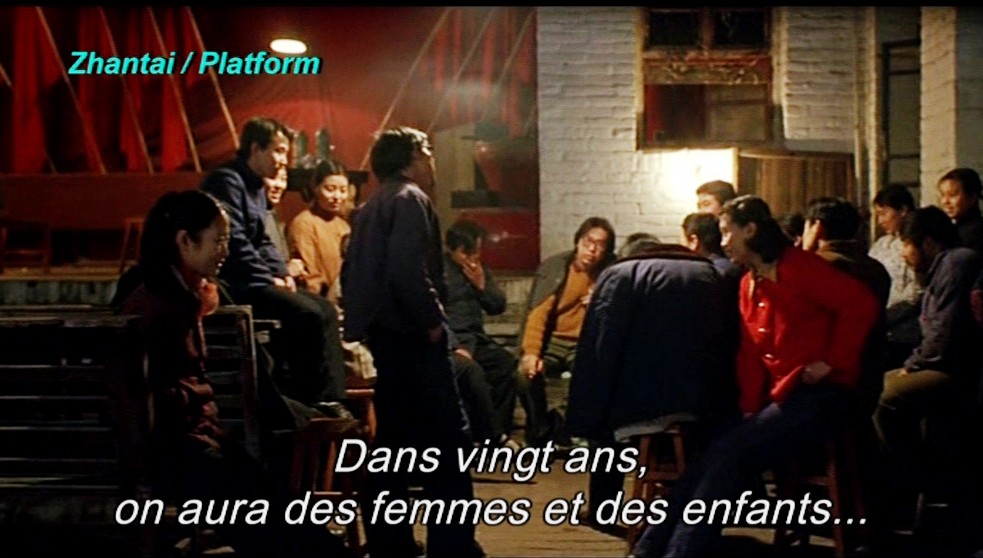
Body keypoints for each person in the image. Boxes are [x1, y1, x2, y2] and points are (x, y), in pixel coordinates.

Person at [631, 195, 879, 558]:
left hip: (824, 393)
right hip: (781, 398)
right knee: (711, 452)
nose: (724, 242)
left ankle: (679, 552)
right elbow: (749, 354)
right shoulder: (749, 284)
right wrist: (748, 408)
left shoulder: (798, 267)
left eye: (727, 232)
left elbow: (861, 304)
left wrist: (832, 361)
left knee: (730, 453)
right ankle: (650, 547)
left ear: (750, 230)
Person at [119, 190, 354, 558]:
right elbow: (161, 399)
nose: (225, 250)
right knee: (277, 514)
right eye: (218, 240)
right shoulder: (164, 304)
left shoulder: (168, 292)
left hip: (183, 448)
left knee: (278, 509)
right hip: (177, 456)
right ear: (185, 241)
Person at [341, 126, 485, 558]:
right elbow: (407, 269)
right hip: (412, 337)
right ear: (413, 157)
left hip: (384, 338)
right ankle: (453, 544)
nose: (433, 162)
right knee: (449, 442)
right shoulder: (410, 198)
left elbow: (354, 274)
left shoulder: (370, 206)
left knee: (394, 445)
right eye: (428, 152)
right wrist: (432, 322)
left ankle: (391, 542)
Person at [566, 237, 738, 530]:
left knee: (605, 429)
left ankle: (602, 509)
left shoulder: (620, 275)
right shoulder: (710, 274)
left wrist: (587, 412)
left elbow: (602, 348)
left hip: (639, 404)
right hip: (705, 403)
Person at [200, 117, 352, 419]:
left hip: (257, 279)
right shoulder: (228, 181)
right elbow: (235, 242)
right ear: (256, 148)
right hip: (235, 282)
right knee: (306, 313)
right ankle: (307, 399)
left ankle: (333, 398)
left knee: (325, 309)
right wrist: (269, 278)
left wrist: (281, 272)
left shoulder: (256, 187)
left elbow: (264, 242)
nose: (284, 160)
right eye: (279, 151)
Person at [871, 206, 983, 539]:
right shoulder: (939, 268)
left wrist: (913, 365)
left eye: (907, 244)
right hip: (943, 362)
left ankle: (913, 482)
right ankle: (908, 483)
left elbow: (942, 335)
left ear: (929, 243)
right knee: (875, 385)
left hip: (961, 369)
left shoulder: (956, 263)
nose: (904, 254)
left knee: (886, 397)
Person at [515, 216, 616, 448]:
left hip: (586, 343)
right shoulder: (556, 268)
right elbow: (538, 314)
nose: (592, 249)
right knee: (523, 375)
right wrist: (531, 353)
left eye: (600, 245)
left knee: (589, 373)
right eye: (588, 242)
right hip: (554, 340)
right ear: (578, 241)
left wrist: (602, 301)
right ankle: (541, 428)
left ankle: (564, 422)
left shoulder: (611, 274)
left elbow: (619, 318)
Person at [443, 218, 519, 448]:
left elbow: (497, 306)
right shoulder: (439, 271)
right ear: (452, 249)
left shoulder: (478, 269)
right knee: (470, 372)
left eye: (476, 251)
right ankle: (490, 435)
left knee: (506, 365)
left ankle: (499, 432)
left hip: (476, 339)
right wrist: (454, 346)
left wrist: (481, 284)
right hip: (452, 342)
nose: (473, 257)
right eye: (466, 252)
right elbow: (434, 315)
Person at [869, 184, 923, 371]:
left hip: (906, 333)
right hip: (879, 330)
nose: (880, 221)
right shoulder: (882, 244)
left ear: (903, 210)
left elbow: (916, 291)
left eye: (884, 214)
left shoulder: (917, 244)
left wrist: (886, 316)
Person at [288, 158, 352, 303]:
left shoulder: (344, 225)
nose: (337, 197)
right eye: (330, 189)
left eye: (343, 190)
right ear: (316, 188)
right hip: (317, 302)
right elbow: (311, 279)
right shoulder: (304, 223)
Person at [262, 166, 309, 284]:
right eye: (272, 178)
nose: (279, 186)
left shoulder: (271, 213)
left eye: (283, 179)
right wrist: (286, 270)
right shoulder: (255, 215)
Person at [937, 167, 983, 251]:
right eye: (942, 195)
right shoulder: (954, 230)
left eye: (952, 195)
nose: (945, 201)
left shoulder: (975, 235)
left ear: (972, 197)